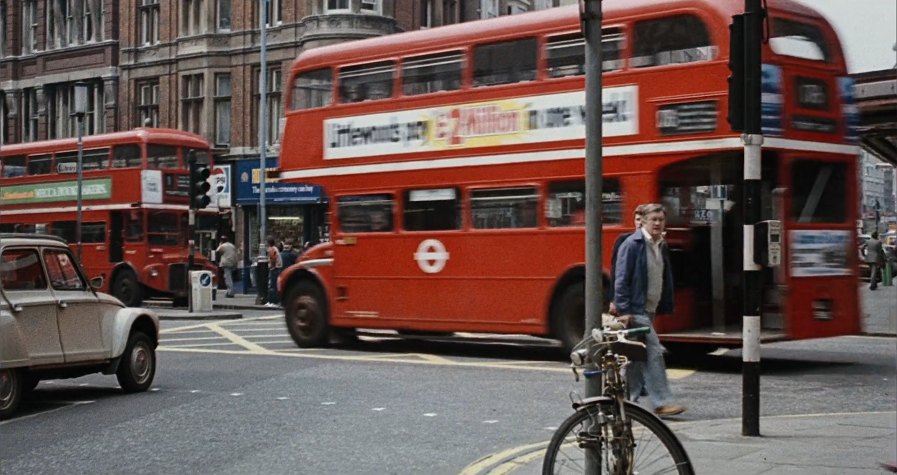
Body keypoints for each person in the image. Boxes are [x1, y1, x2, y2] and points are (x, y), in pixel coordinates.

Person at [614, 203, 685, 418]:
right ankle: (662, 402)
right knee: (654, 351)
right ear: (642, 221)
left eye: (660, 219)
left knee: (636, 358)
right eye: (653, 219)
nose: (657, 223)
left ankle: (625, 402)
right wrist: (624, 309)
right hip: (636, 310)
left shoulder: (660, 245)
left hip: (650, 308)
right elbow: (621, 279)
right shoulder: (632, 244)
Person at [609, 204, 648, 315]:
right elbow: (616, 272)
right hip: (629, 300)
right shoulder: (623, 241)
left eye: (643, 220)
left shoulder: (654, 243)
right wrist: (613, 300)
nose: (640, 223)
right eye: (637, 219)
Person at [265, 236, 283, 307]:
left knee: (273, 285)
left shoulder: (271, 249)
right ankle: (272, 301)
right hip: (277, 268)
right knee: (273, 285)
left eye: (266, 241)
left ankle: (274, 302)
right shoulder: (274, 248)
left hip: (275, 269)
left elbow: (273, 259)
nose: (265, 243)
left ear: (268, 242)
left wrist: (271, 267)